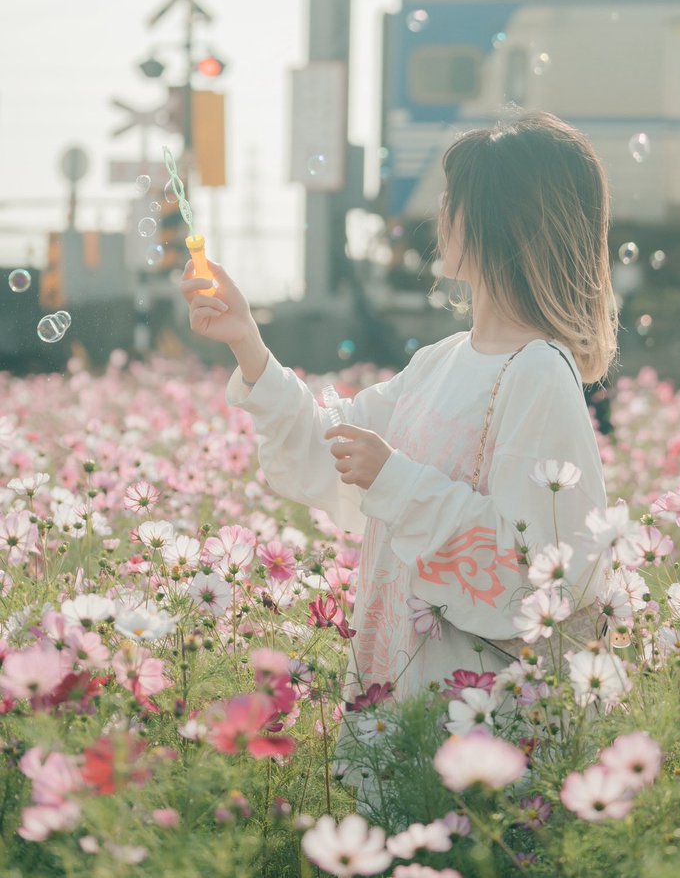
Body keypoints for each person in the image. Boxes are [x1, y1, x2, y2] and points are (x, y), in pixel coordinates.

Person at [180, 110, 618, 710]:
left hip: (473, 708)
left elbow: (537, 570)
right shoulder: (442, 360)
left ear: (502, 220)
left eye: (454, 198)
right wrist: (246, 340)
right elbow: (332, 445)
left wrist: (396, 481)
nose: (440, 212)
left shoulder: (538, 371)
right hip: (399, 684)